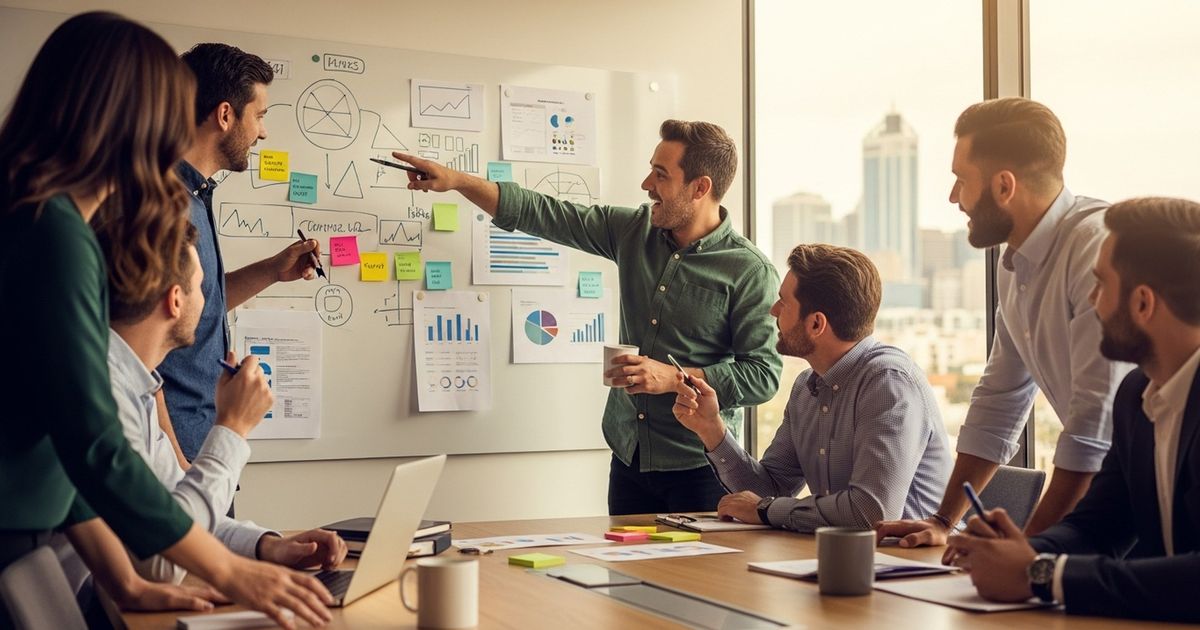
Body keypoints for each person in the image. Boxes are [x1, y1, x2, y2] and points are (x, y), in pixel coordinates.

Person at [0, 13, 330, 629]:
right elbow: (92, 441)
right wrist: (230, 571)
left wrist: (124, 578)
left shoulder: (38, 216)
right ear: (124, 115)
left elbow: (65, 438)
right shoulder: (54, 231)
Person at [394, 120, 782, 514]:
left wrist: (672, 377)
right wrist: (458, 180)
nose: (647, 184)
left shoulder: (748, 271)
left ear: (700, 188)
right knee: (627, 576)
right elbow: (544, 213)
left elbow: (763, 376)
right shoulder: (634, 231)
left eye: (661, 174)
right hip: (628, 457)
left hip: (700, 469)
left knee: (698, 579)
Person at [877, 98, 1133, 549]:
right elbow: (998, 404)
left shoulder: (1094, 249)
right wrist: (941, 521)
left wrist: (1028, 549)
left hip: (1145, 504)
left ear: (1003, 186)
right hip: (1114, 497)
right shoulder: (1014, 264)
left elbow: (1093, 428)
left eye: (961, 180)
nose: (953, 197)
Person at [54, 226, 346, 601]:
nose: (211, 305)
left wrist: (270, 547)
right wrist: (232, 427)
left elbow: (177, 516)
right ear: (175, 300)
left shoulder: (134, 385)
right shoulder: (104, 390)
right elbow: (161, 557)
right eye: (202, 287)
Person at [947, 197, 1200, 623]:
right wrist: (1021, 550)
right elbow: (1097, 526)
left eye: (1100, 284)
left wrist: (1042, 574)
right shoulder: (1136, 396)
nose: (1092, 300)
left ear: (1142, 304)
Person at [672, 244, 952, 530]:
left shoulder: (888, 383)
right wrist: (711, 429)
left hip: (912, 564)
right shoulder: (806, 387)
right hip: (847, 558)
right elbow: (769, 491)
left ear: (816, 323)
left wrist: (766, 509)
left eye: (784, 303)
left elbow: (871, 512)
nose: (773, 310)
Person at [159, 43, 321, 473]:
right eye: (260, 115)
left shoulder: (197, 195)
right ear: (226, 115)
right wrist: (177, 465)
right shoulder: (162, 205)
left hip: (205, 444)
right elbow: (138, 353)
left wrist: (271, 270)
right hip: (178, 456)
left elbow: (194, 307)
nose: (263, 132)